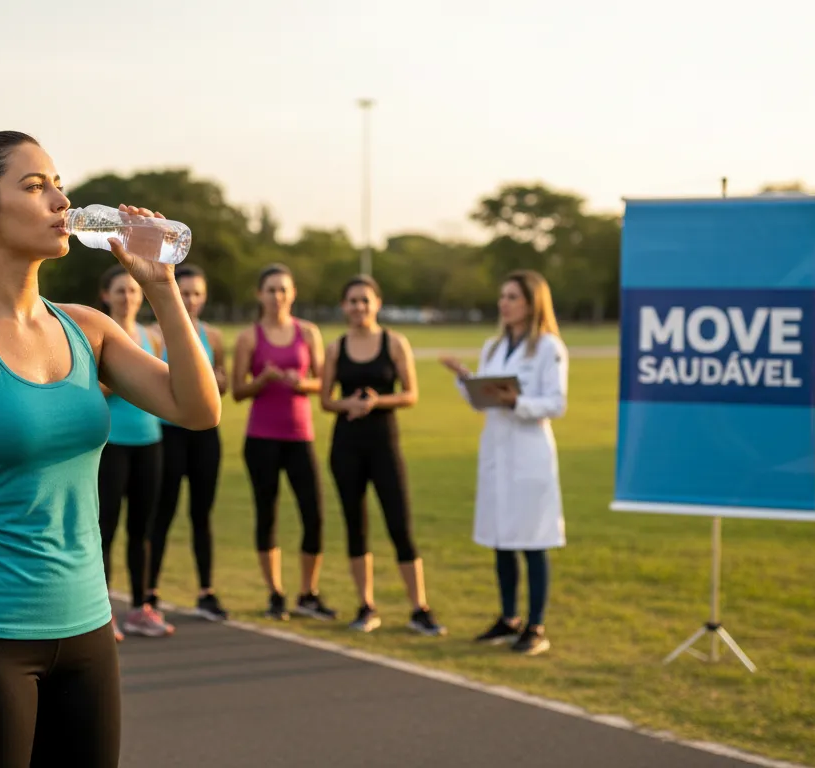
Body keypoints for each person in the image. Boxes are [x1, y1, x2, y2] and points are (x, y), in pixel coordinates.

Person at [0, 130, 220, 768]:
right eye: (35, 186)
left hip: (88, 631)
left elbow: (198, 410)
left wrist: (163, 287)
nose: (62, 200)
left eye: (59, 183)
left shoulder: (88, 328)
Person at [440, 269, 568, 657]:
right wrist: (467, 380)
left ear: (531, 303)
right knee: (501, 538)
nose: (504, 303)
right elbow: (484, 399)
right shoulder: (494, 346)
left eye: (512, 296)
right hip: (497, 449)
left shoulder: (548, 348)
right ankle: (508, 618)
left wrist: (516, 402)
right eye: (502, 296)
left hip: (529, 453)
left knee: (532, 539)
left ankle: (536, 625)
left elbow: (556, 403)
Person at [319, 275, 446, 637]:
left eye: (365, 300)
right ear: (344, 306)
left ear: (377, 303)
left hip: (384, 444)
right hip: (346, 446)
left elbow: (410, 394)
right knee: (355, 527)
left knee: (399, 525)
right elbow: (327, 400)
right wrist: (349, 405)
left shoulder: (394, 343)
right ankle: (366, 605)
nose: (359, 307)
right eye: (352, 301)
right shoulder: (335, 348)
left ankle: (419, 608)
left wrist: (376, 402)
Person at [232, 263, 336, 622]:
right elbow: (238, 391)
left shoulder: (308, 333)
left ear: (293, 294)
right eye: (270, 289)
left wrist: (298, 382)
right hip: (261, 438)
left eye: (283, 290)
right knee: (268, 515)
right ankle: (275, 593)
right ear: (259, 295)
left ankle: (308, 593)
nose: (277, 296)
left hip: (299, 437)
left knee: (314, 515)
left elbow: (322, 384)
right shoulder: (249, 337)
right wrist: (263, 380)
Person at [145, 264, 230, 622]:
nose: (191, 300)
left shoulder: (214, 336)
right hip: (167, 432)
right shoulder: (153, 334)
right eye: (186, 292)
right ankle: (149, 591)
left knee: (201, 514)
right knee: (160, 514)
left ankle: (206, 592)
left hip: (204, 435)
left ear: (205, 296)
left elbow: (220, 383)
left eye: (197, 293)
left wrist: (215, 380)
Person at [96, 263, 175, 640]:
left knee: (142, 530)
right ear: (105, 296)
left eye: (131, 290)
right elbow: (90, 390)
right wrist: (124, 382)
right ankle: (102, 612)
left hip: (150, 442)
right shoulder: (99, 336)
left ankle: (141, 608)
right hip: (111, 446)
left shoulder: (152, 338)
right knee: (104, 529)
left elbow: (161, 387)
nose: (126, 297)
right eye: (119, 291)